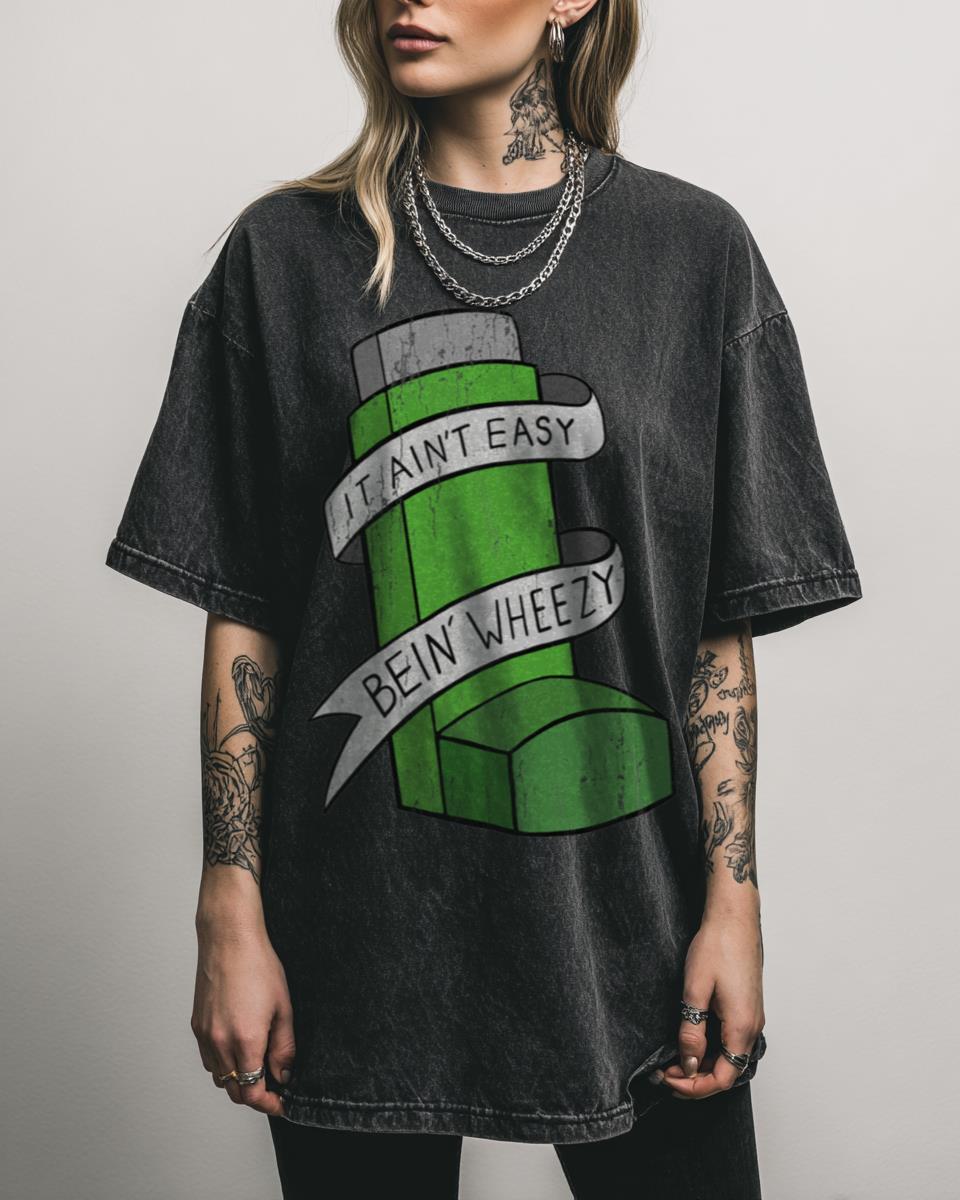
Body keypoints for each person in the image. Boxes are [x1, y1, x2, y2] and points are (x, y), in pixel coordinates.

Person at [103, 0, 863, 1196]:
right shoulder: (283, 255)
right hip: (354, 934)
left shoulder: (694, 253)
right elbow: (245, 609)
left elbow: (715, 632)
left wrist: (735, 901)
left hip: (632, 925)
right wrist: (229, 904)